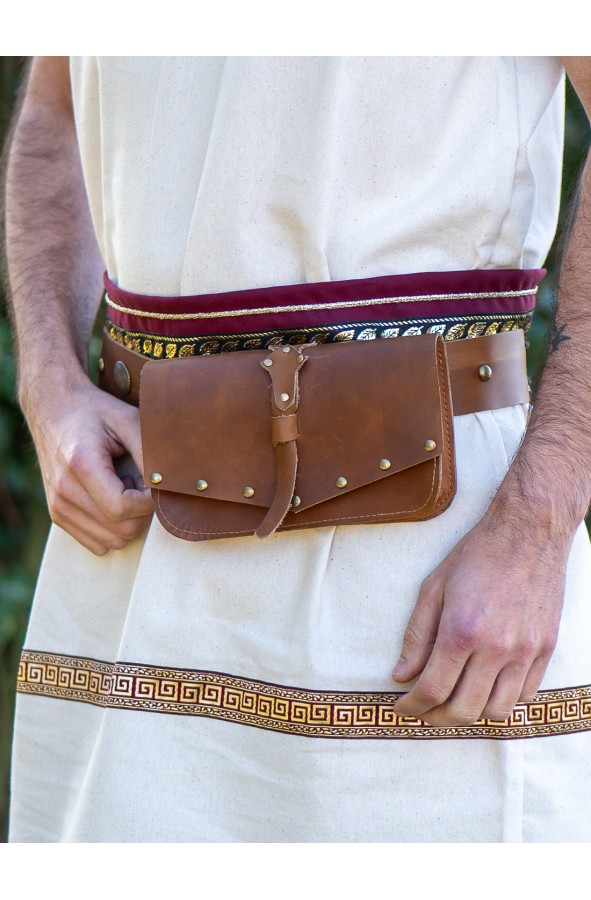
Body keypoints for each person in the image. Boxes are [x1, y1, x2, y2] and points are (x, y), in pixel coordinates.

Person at [4, 56, 591, 842]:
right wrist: (47, 383)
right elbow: (55, 112)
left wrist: (538, 520)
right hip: (134, 542)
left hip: (432, 567)